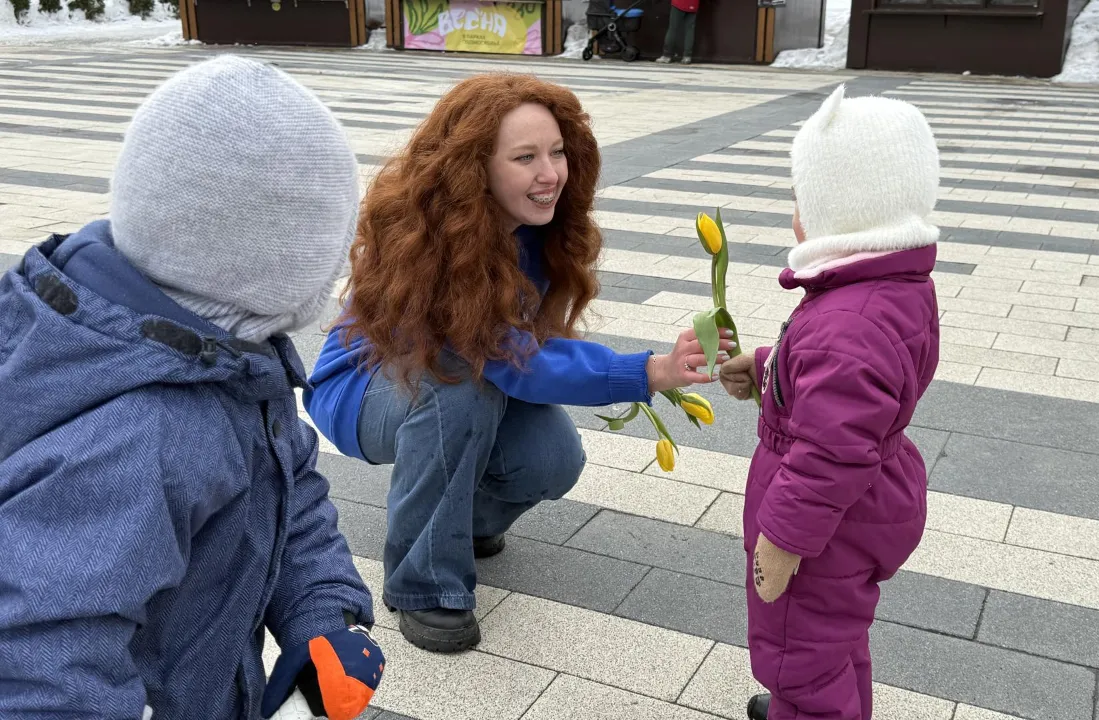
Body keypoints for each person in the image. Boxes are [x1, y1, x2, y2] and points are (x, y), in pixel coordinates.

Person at [0, 56, 384, 720]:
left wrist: (321, 608)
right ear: (275, 259)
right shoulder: (149, 437)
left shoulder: (225, 353)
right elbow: (41, 669)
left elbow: (289, 489)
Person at [305, 72, 732, 655]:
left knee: (553, 458)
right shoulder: (439, 243)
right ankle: (422, 583)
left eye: (557, 152)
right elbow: (514, 362)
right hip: (365, 386)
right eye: (525, 157)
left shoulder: (535, 232)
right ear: (472, 167)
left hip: (466, 376)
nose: (550, 172)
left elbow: (525, 353)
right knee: (456, 388)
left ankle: (463, 518)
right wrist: (647, 371)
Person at [718, 86, 941, 720]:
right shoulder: (889, 284)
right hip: (869, 504)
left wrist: (780, 542)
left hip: (825, 528)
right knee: (835, 640)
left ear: (840, 209)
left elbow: (830, 452)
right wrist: (767, 370)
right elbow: (849, 393)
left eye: (800, 198)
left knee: (799, 656)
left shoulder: (848, 323)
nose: (795, 212)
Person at [656, 0, 699, 64]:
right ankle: (687, 57)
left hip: (679, 3)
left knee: (673, 28)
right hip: (693, 3)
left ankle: (667, 56)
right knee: (689, 30)